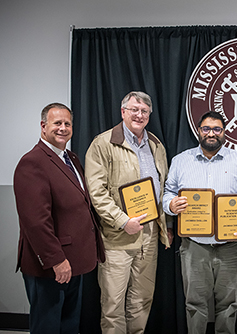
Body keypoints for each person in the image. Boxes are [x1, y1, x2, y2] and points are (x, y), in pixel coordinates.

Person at [163, 111, 237, 334]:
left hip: (232, 247)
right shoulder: (180, 161)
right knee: (194, 305)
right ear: (198, 131)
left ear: (224, 132)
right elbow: (168, 192)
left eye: (217, 129)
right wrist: (170, 205)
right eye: (206, 128)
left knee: (228, 305)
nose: (211, 133)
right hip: (194, 246)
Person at [85, 91, 173, 334]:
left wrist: (165, 228)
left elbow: (163, 188)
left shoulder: (156, 145)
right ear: (122, 112)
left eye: (144, 111)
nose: (139, 114)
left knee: (142, 300)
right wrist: (123, 221)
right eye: (134, 109)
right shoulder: (103, 143)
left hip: (150, 236)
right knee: (113, 305)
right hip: (117, 238)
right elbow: (96, 192)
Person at [13, 103, 105, 334]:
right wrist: (56, 260)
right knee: (48, 326)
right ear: (43, 127)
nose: (63, 128)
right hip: (52, 265)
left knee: (69, 325)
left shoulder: (70, 159)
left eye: (67, 124)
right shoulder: (32, 162)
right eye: (57, 123)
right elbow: (36, 221)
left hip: (73, 262)